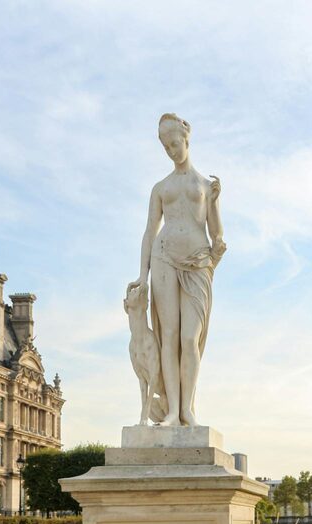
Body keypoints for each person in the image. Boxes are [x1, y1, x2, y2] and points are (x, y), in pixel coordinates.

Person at [128, 114, 226, 427]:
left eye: (174, 144)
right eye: (166, 146)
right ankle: (172, 412)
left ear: (186, 139)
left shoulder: (207, 186)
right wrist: (143, 274)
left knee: (190, 338)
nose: (171, 150)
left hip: (198, 260)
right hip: (164, 256)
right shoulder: (160, 187)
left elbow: (217, 234)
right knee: (167, 335)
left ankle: (187, 410)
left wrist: (214, 256)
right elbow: (149, 231)